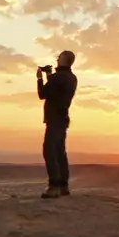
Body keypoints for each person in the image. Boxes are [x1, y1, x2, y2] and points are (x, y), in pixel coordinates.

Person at [36, 50, 78, 199]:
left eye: (59, 57)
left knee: (49, 150)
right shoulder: (71, 78)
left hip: (54, 119)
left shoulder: (58, 77)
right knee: (60, 152)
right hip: (62, 118)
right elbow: (56, 92)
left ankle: (53, 186)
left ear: (65, 60)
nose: (57, 59)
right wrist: (50, 76)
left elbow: (43, 94)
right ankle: (63, 186)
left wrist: (40, 78)